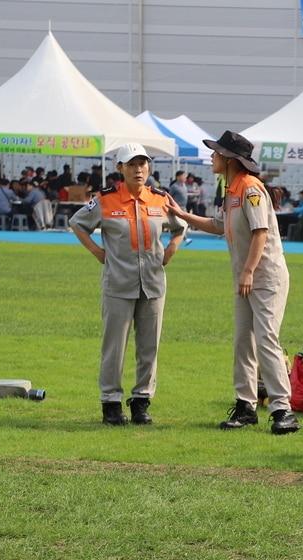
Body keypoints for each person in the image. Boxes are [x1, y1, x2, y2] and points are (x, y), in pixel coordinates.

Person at [168, 129, 299, 434]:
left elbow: (260, 232)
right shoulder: (233, 189)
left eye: (216, 153)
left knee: (266, 339)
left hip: (264, 277)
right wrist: (181, 214)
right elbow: (218, 225)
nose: (212, 156)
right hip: (247, 278)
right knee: (243, 342)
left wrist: (249, 271)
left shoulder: (251, 189)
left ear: (229, 159)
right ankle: (245, 405)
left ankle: (283, 409)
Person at [70, 144, 186, 426]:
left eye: (142, 164)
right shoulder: (106, 200)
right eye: (131, 165)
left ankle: (141, 401)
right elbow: (77, 223)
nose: (138, 170)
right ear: (119, 168)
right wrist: (98, 252)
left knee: (149, 347)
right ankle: (110, 402)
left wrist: (173, 246)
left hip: (154, 284)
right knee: (115, 346)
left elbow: (182, 224)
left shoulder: (160, 198)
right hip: (119, 284)